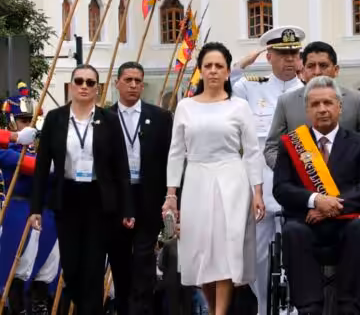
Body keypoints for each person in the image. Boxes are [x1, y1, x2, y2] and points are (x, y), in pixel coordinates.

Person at [162, 42, 265, 315]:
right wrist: (171, 194)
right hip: (196, 179)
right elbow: (175, 152)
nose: (213, 71)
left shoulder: (239, 106)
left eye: (219, 66)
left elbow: (252, 151)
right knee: (199, 252)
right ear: (199, 71)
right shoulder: (185, 107)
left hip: (231, 179)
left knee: (224, 249)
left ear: (228, 71)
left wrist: (257, 191)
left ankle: (220, 312)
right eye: (207, 66)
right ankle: (211, 308)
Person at [29, 64, 135, 315]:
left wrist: (127, 207)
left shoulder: (109, 119)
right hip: (67, 198)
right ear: (71, 86)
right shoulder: (55, 118)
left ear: (97, 88)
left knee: (94, 268)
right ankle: (82, 300)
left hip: (99, 200)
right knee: (72, 268)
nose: (84, 86)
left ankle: (92, 310)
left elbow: (121, 167)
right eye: (79, 81)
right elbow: (42, 166)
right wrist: (35, 209)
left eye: (90, 82)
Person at [273, 76, 360, 315]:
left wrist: (331, 206)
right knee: (292, 231)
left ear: (339, 107)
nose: (322, 109)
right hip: (305, 222)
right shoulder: (291, 144)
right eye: (315, 104)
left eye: (328, 103)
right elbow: (281, 188)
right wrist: (315, 200)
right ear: (307, 110)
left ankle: (350, 307)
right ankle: (309, 307)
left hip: (348, 222)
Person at [232, 26, 304, 315]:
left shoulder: (311, 91)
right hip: (260, 186)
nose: (289, 60)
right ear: (269, 56)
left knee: (300, 252)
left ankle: (297, 308)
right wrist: (245, 61)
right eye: (283, 54)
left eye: (294, 54)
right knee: (259, 256)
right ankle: (265, 307)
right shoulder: (252, 87)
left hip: (301, 187)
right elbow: (222, 80)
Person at [107, 62, 173, 315]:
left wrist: (172, 197)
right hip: (118, 199)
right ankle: (123, 307)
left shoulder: (160, 117)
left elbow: (171, 160)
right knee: (120, 261)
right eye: (128, 80)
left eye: (138, 81)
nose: (133, 85)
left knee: (144, 261)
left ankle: (142, 309)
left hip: (148, 197)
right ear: (117, 83)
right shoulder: (105, 117)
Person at [264, 41, 360, 176]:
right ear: (303, 71)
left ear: (336, 70)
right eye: (311, 66)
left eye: (323, 65)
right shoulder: (286, 102)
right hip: (303, 191)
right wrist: (289, 174)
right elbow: (272, 147)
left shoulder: (355, 100)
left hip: (349, 190)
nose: (317, 72)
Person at [0, 85, 60, 315]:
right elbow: (20, 164)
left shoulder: (42, 147)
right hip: (17, 211)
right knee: (17, 268)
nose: (29, 124)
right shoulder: (8, 147)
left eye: (31, 119)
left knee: (47, 270)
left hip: (45, 214)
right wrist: (47, 165)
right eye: (23, 119)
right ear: (12, 122)